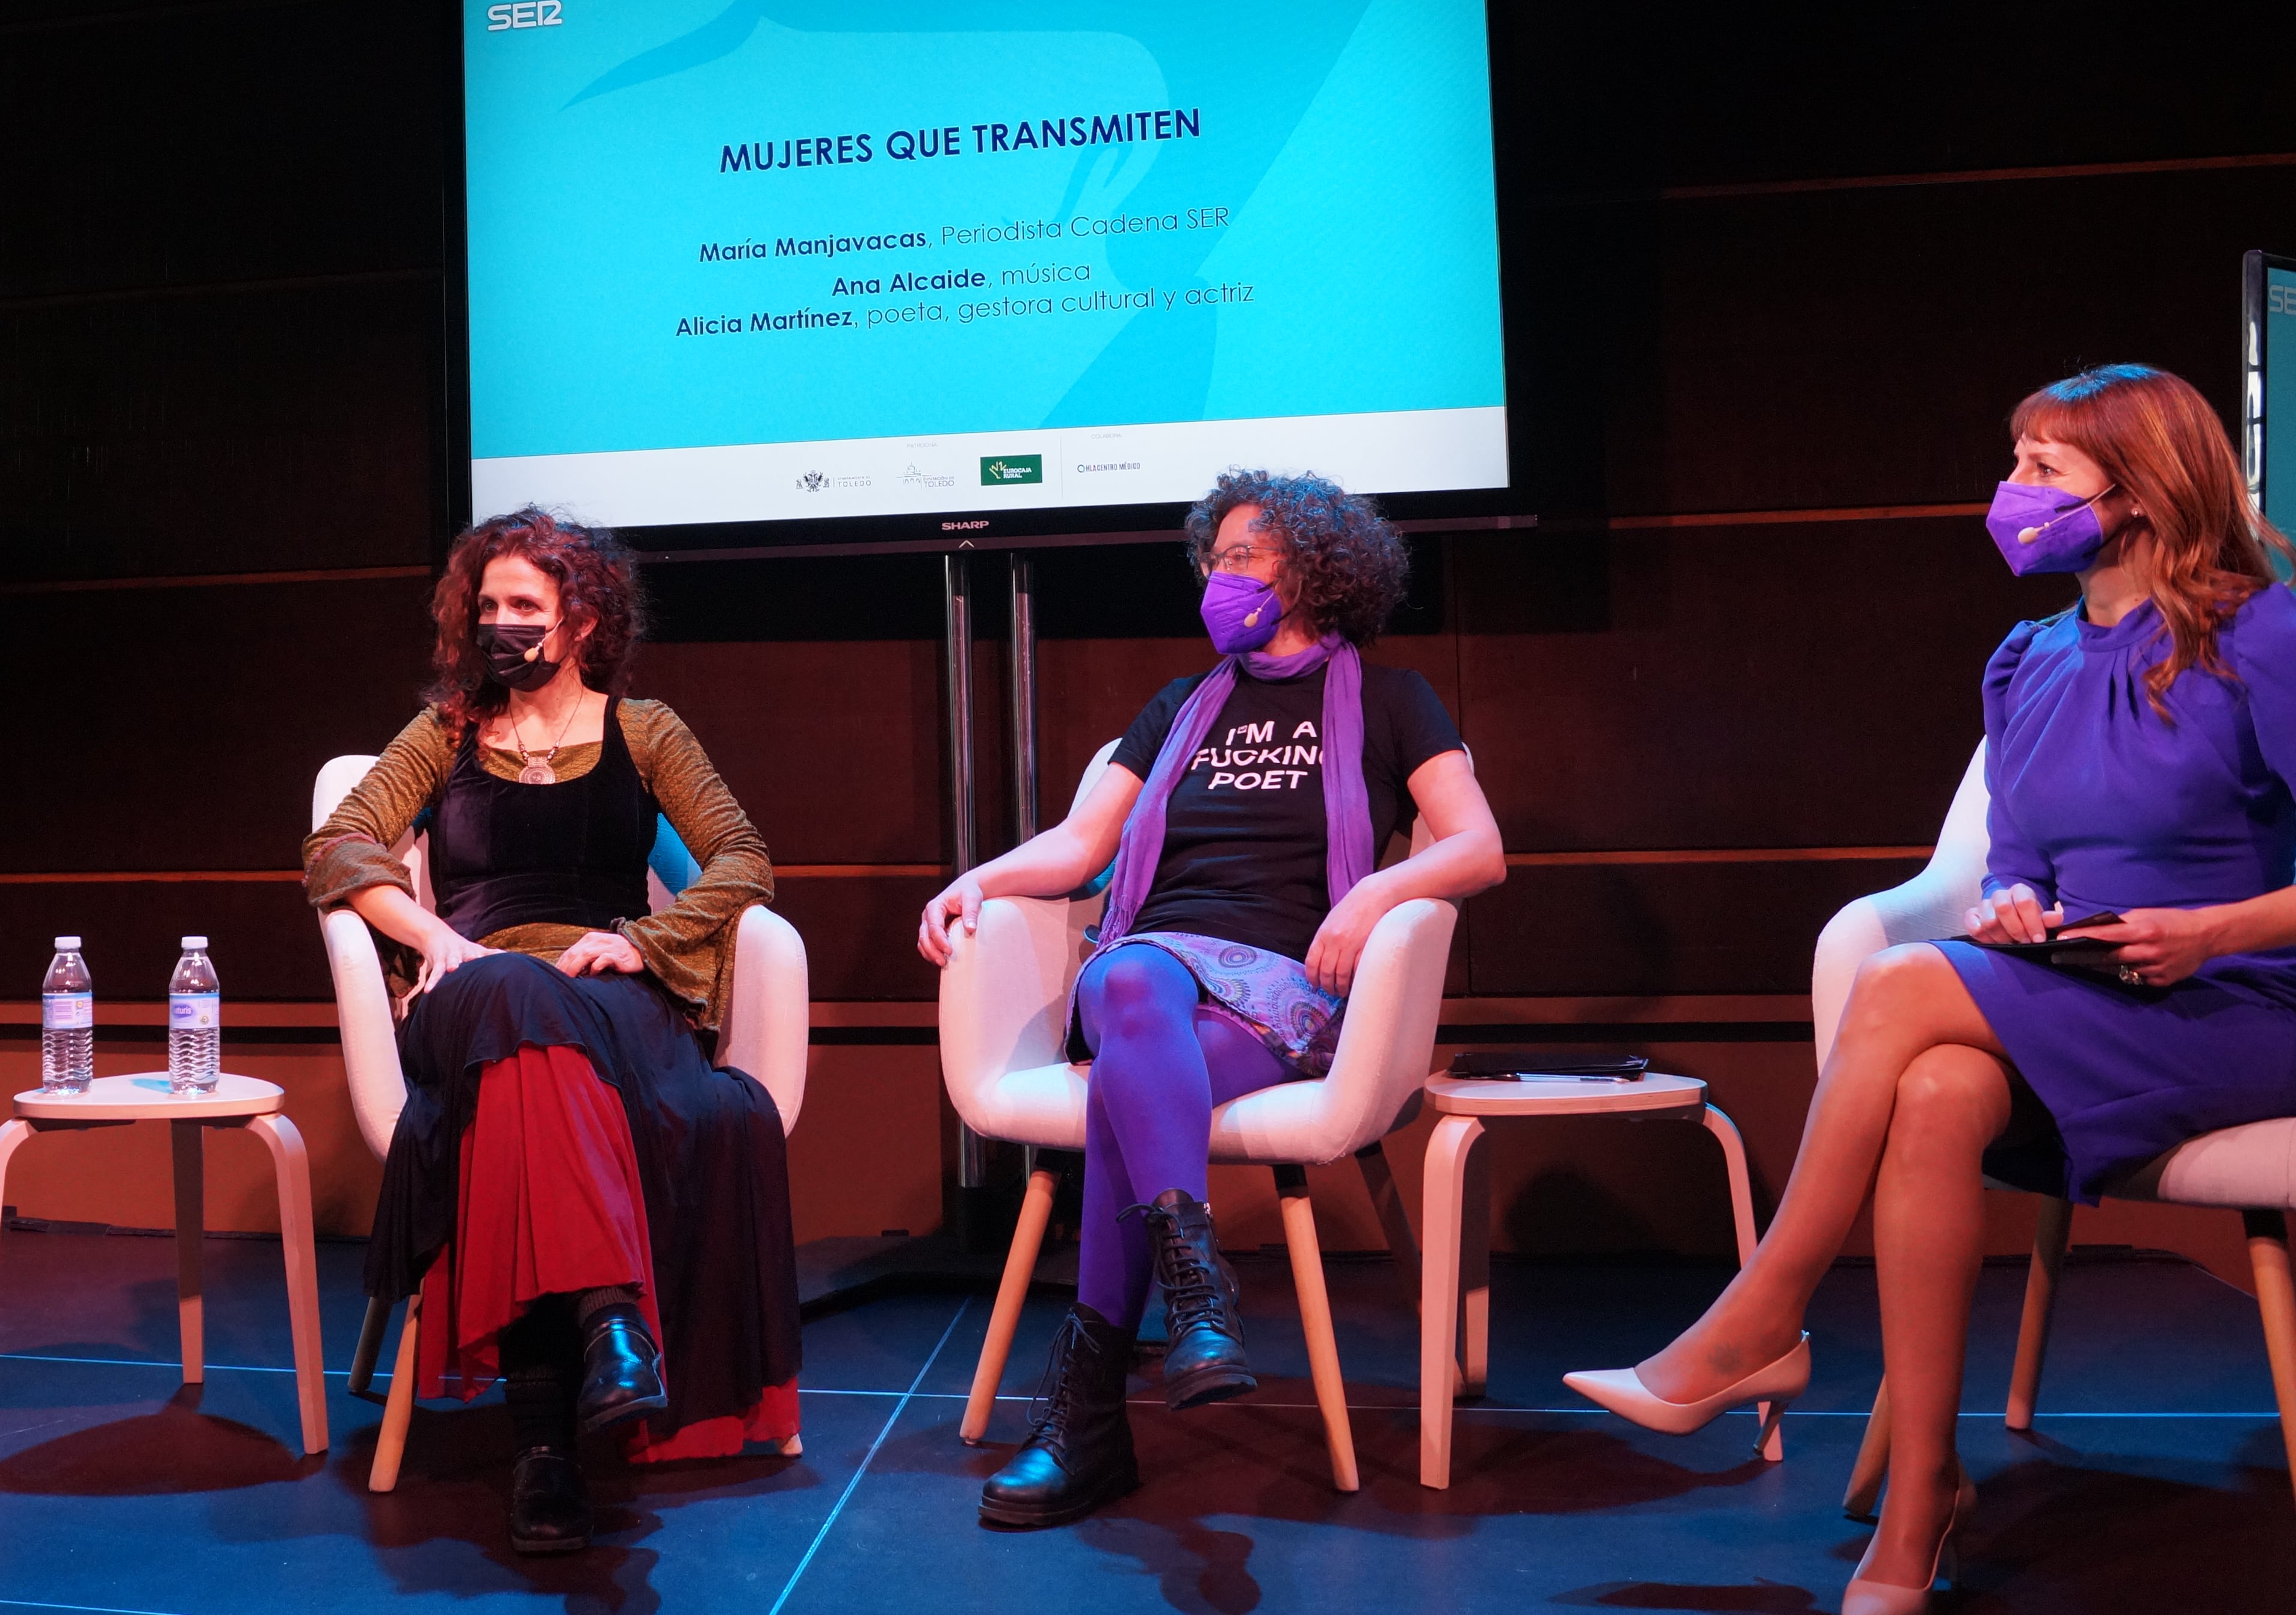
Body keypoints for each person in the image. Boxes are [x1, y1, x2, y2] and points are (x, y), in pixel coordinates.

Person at [1565, 364, 2296, 1614]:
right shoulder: (2025, 661)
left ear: (2140, 491)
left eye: (2041, 470)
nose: (2009, 494)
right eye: (2011, 462)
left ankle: (1761, 1316)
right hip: (2091, 991)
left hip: (2241, 1001)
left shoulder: (2265, 634)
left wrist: (2211, 926)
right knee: (1942, 1087)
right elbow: (2015, 867)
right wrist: (2013, 909)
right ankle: (1919, 1499)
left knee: (1903, 987)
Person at [918, 470, 1506, 1528]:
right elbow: (1083, 848)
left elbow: (1477, 848)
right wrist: (978, 878)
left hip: (1284, 993)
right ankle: (1196, 1291)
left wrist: (1379, 889)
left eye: (1244, 556)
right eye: (1215, 557)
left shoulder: (1394, 699)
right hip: (1150, 968)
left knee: (1122, 1099)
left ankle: (1086, 1419)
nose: (1219, 576)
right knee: (1135, 974)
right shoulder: (1177, 708)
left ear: (1318, 571)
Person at [305, 507, 799, 1555]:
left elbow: (743, 860)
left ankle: (544, 1449)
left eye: (523, 608)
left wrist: (648, 940)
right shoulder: (445, 732)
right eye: (486, 608)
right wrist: (436, 936)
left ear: (580, 621)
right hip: (476, 988)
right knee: (512, 998)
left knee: (537, 1051)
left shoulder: (647, 730)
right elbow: (340, 847)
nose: (500, 627)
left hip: (610, 985)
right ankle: (611, 1319)